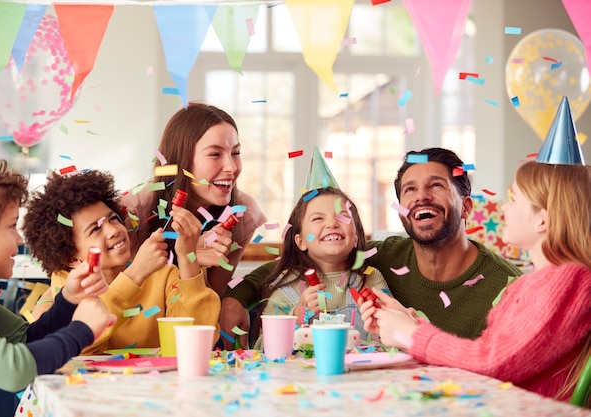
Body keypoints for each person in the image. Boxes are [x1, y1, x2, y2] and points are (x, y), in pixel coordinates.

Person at [220, 147, 522, 349]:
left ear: (466, 206)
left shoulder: (507, 287)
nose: (421, 197)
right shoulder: (381, 255)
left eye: (436, 186)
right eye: (410, 189)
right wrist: (236, 297)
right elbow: (290, 266)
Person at [360, 161, 591, 403]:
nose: (503, 207)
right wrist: (407, 323)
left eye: (513, 199)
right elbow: (492, 354)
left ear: (541, 221)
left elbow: (492, 362)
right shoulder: (536, 283)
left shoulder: (565, 282)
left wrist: (412, 333)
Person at [0, 109, 115, 415]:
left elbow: (25, 338)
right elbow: (13, 370)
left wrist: (69, 300)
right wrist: (83, 330)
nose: (19, 241)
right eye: (10, 227)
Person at [22, 169, 221, 354]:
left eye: (113, 219)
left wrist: (187, 257)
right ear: (71, 258)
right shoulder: (68, 283)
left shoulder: (162, 273)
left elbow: (196, 346)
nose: (114, 230)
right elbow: (76, 349)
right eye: (95, 229)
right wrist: (135, 275)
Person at [121, 103, 267, 296]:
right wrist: (187, 256)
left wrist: (236, 299)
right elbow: (115, 296)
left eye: (236, 153)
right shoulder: (131, 210)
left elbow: (212, 298)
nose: (231, 167)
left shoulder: (243, 212)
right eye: (215, 154)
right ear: (182, 160)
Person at [252, 187, 390, 348]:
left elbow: (393, 337)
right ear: (301, 241)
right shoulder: (286, 287)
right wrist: (296, 317)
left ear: (356, 239)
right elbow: (262, 347)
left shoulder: (370, 278)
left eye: (343, 217)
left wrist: (381, 325)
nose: (332, 223)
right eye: (318, 218)